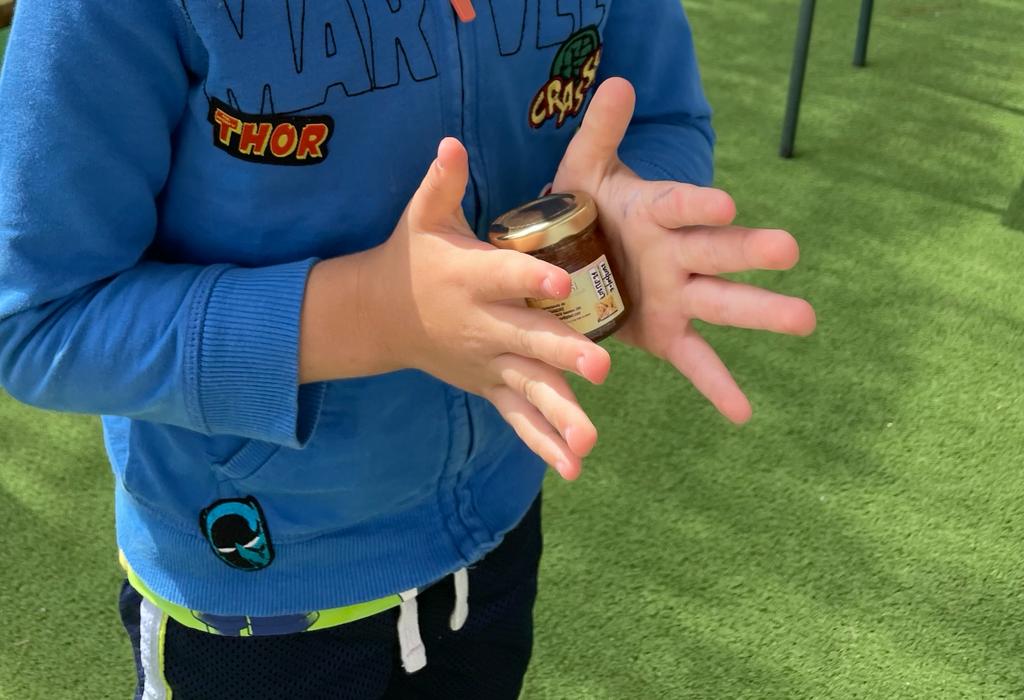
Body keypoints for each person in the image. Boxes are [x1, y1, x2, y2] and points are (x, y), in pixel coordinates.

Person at [0, 1, 815, 697]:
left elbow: (655, 116)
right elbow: (41, 319)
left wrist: (627, 224)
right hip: (252, 594)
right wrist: (378, 314)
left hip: (495, 522)